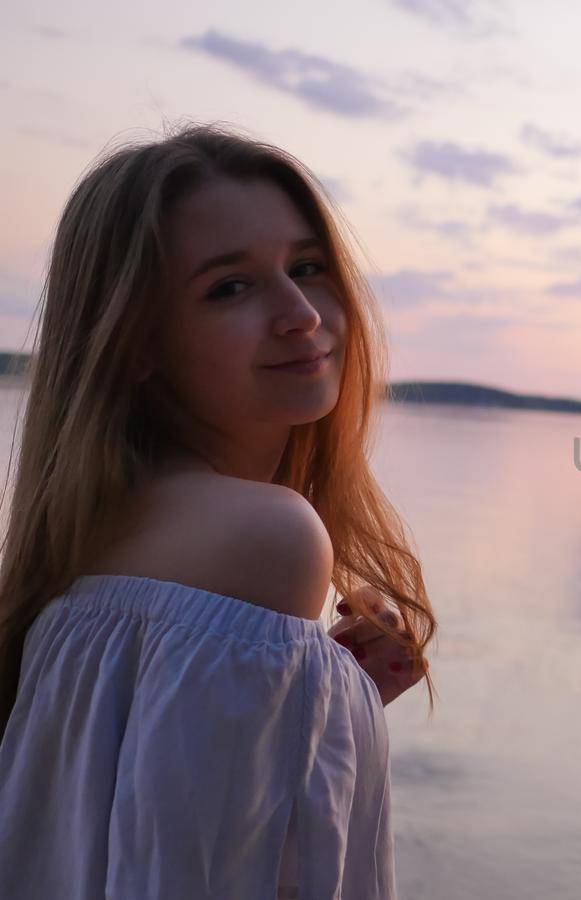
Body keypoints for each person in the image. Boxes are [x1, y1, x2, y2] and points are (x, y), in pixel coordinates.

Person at [0, 120, 439, 899]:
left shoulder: (94, 534)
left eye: (307, 267)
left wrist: (328, 700)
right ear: (133, 341)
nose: (300, 312)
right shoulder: (266, 538)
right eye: (229, 287)